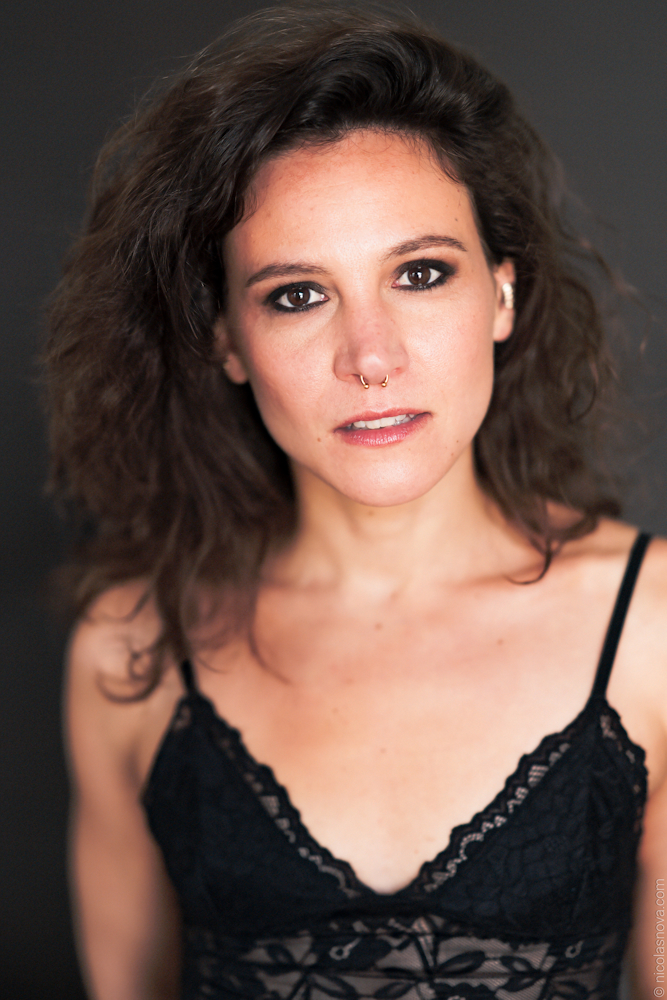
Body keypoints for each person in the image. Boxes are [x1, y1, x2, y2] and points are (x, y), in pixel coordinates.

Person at [45, 4, 667, 999]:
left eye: (419, 274)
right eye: (297, 294)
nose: (370, 357)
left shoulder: (651, 627)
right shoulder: (130, 648)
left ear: (502, 293)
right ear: (226, 340)